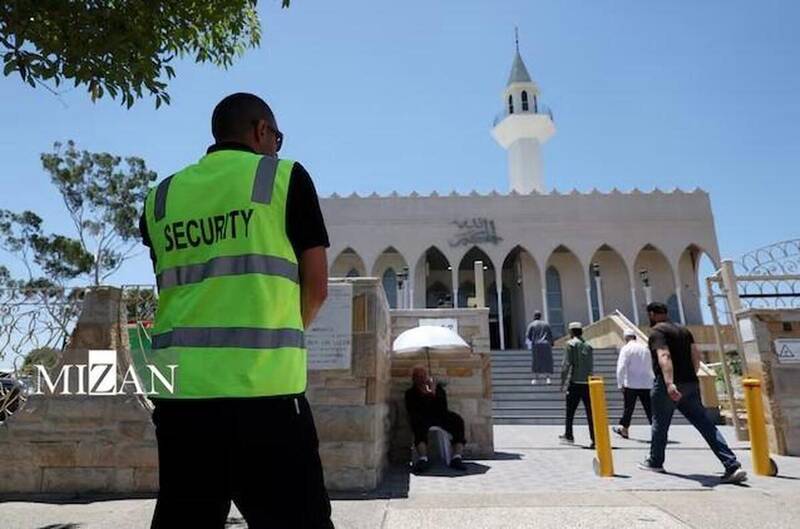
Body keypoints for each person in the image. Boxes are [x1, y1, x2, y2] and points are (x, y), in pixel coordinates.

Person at [140, 93, 335, 528]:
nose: (276, 147)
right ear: (261, 131)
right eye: (276, 137)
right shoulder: (284, 178)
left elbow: (171, 288)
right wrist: (280, 332)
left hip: (182, 402)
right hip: (267, 401)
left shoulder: (161, 197)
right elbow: (317, 287)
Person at [639, 302, 747, 484]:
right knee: (705, 424)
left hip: (669, 384)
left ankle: (655, 461)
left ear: (651, 314)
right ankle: (731, 464)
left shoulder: (658, 332)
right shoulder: (683, 331)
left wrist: (670, 383)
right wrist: (692, 376)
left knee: (660, 424)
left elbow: (664, 356)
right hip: (690, 383)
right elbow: (696, 356)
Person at [405, 366, 467, 473]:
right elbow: (412, 410)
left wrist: (433, 393)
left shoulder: (438, 389)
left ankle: (457, 457)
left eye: (424, 376)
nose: (422, 379)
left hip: (439, 416)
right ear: (414, 379)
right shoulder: (410, 393)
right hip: (422, 417)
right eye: (419, 377)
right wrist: (425, 396)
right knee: (417, 422)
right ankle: (423, 459)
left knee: (457, 420)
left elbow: (443, 407)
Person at [613, 329, 654, 439]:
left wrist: (620, 383)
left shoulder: (626, 349)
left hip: (631, 383)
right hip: (646, 383)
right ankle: (657, 429)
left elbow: (621, 367)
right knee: (650, 408)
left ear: (626, 338)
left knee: (628, 408)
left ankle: (624, 429)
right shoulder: (645, 348)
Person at [559, 322, 595, 448]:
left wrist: (562, 382)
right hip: (588, 383)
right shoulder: (588, 345)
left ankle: (569, 435)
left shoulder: (571, 344)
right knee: (591, 412)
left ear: (571, 332)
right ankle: (594, 438)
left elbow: (566, 364)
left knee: (570, 411)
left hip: (575, 383)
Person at [526, 311, 554, 385]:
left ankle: (535, 378)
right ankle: (548, 379)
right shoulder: (546, 324)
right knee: (547, 361)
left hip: (536, 344)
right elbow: (550, 335)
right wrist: (551, 343)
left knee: (536, 361)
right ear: (540, 316)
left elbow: (528, 335)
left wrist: (532, 340)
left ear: (534, 316)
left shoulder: (532, 324)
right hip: (546, 344)